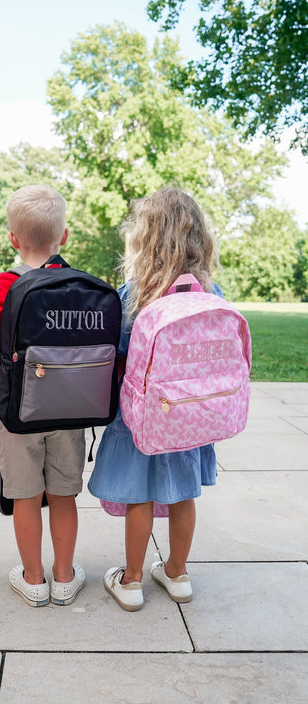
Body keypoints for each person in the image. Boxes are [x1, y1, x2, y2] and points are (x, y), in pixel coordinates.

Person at [88, 187, 221, 611]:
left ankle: (130, 582)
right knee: (184, 493)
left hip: (141, 418)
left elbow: (119, 356)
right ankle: (177, 573)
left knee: (139, 496)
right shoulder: (211, 294)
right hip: (190, 417)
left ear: (145, 238)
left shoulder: (134, 295)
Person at [0, 184, 86, 607]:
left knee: (25, 495)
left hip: (19, 413)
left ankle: (33, 578)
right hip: (70, 410)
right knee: (63, 494)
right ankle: (65, 578)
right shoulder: (78, 288)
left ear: (12, 239)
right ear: (63, 237)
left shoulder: (0, 289)